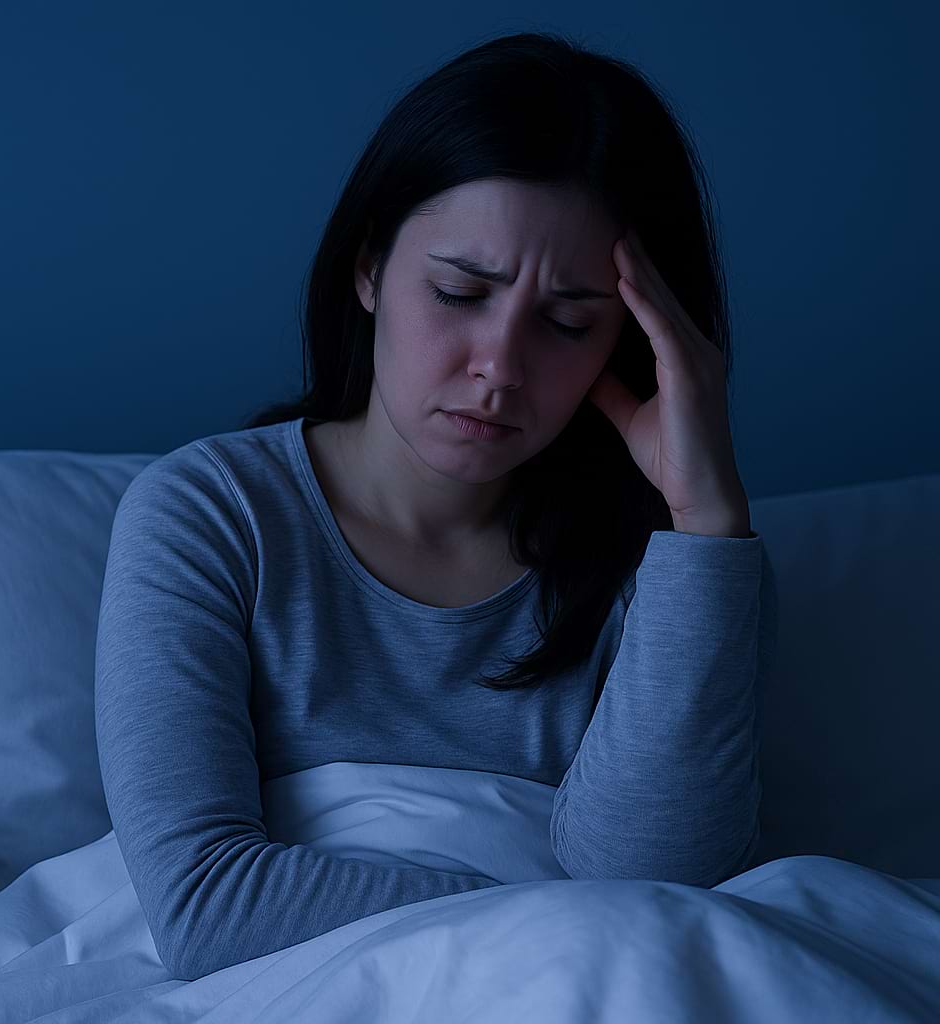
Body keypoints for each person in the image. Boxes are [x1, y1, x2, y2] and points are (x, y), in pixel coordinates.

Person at [94, 29, 778, 983]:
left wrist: (704, 523)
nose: (499, 366)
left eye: (568, 322)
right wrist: (551, 923)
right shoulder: (210, 515)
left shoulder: (673, 566)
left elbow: (660, 887)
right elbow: (208, 905)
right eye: (460, 292)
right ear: (369, 269)